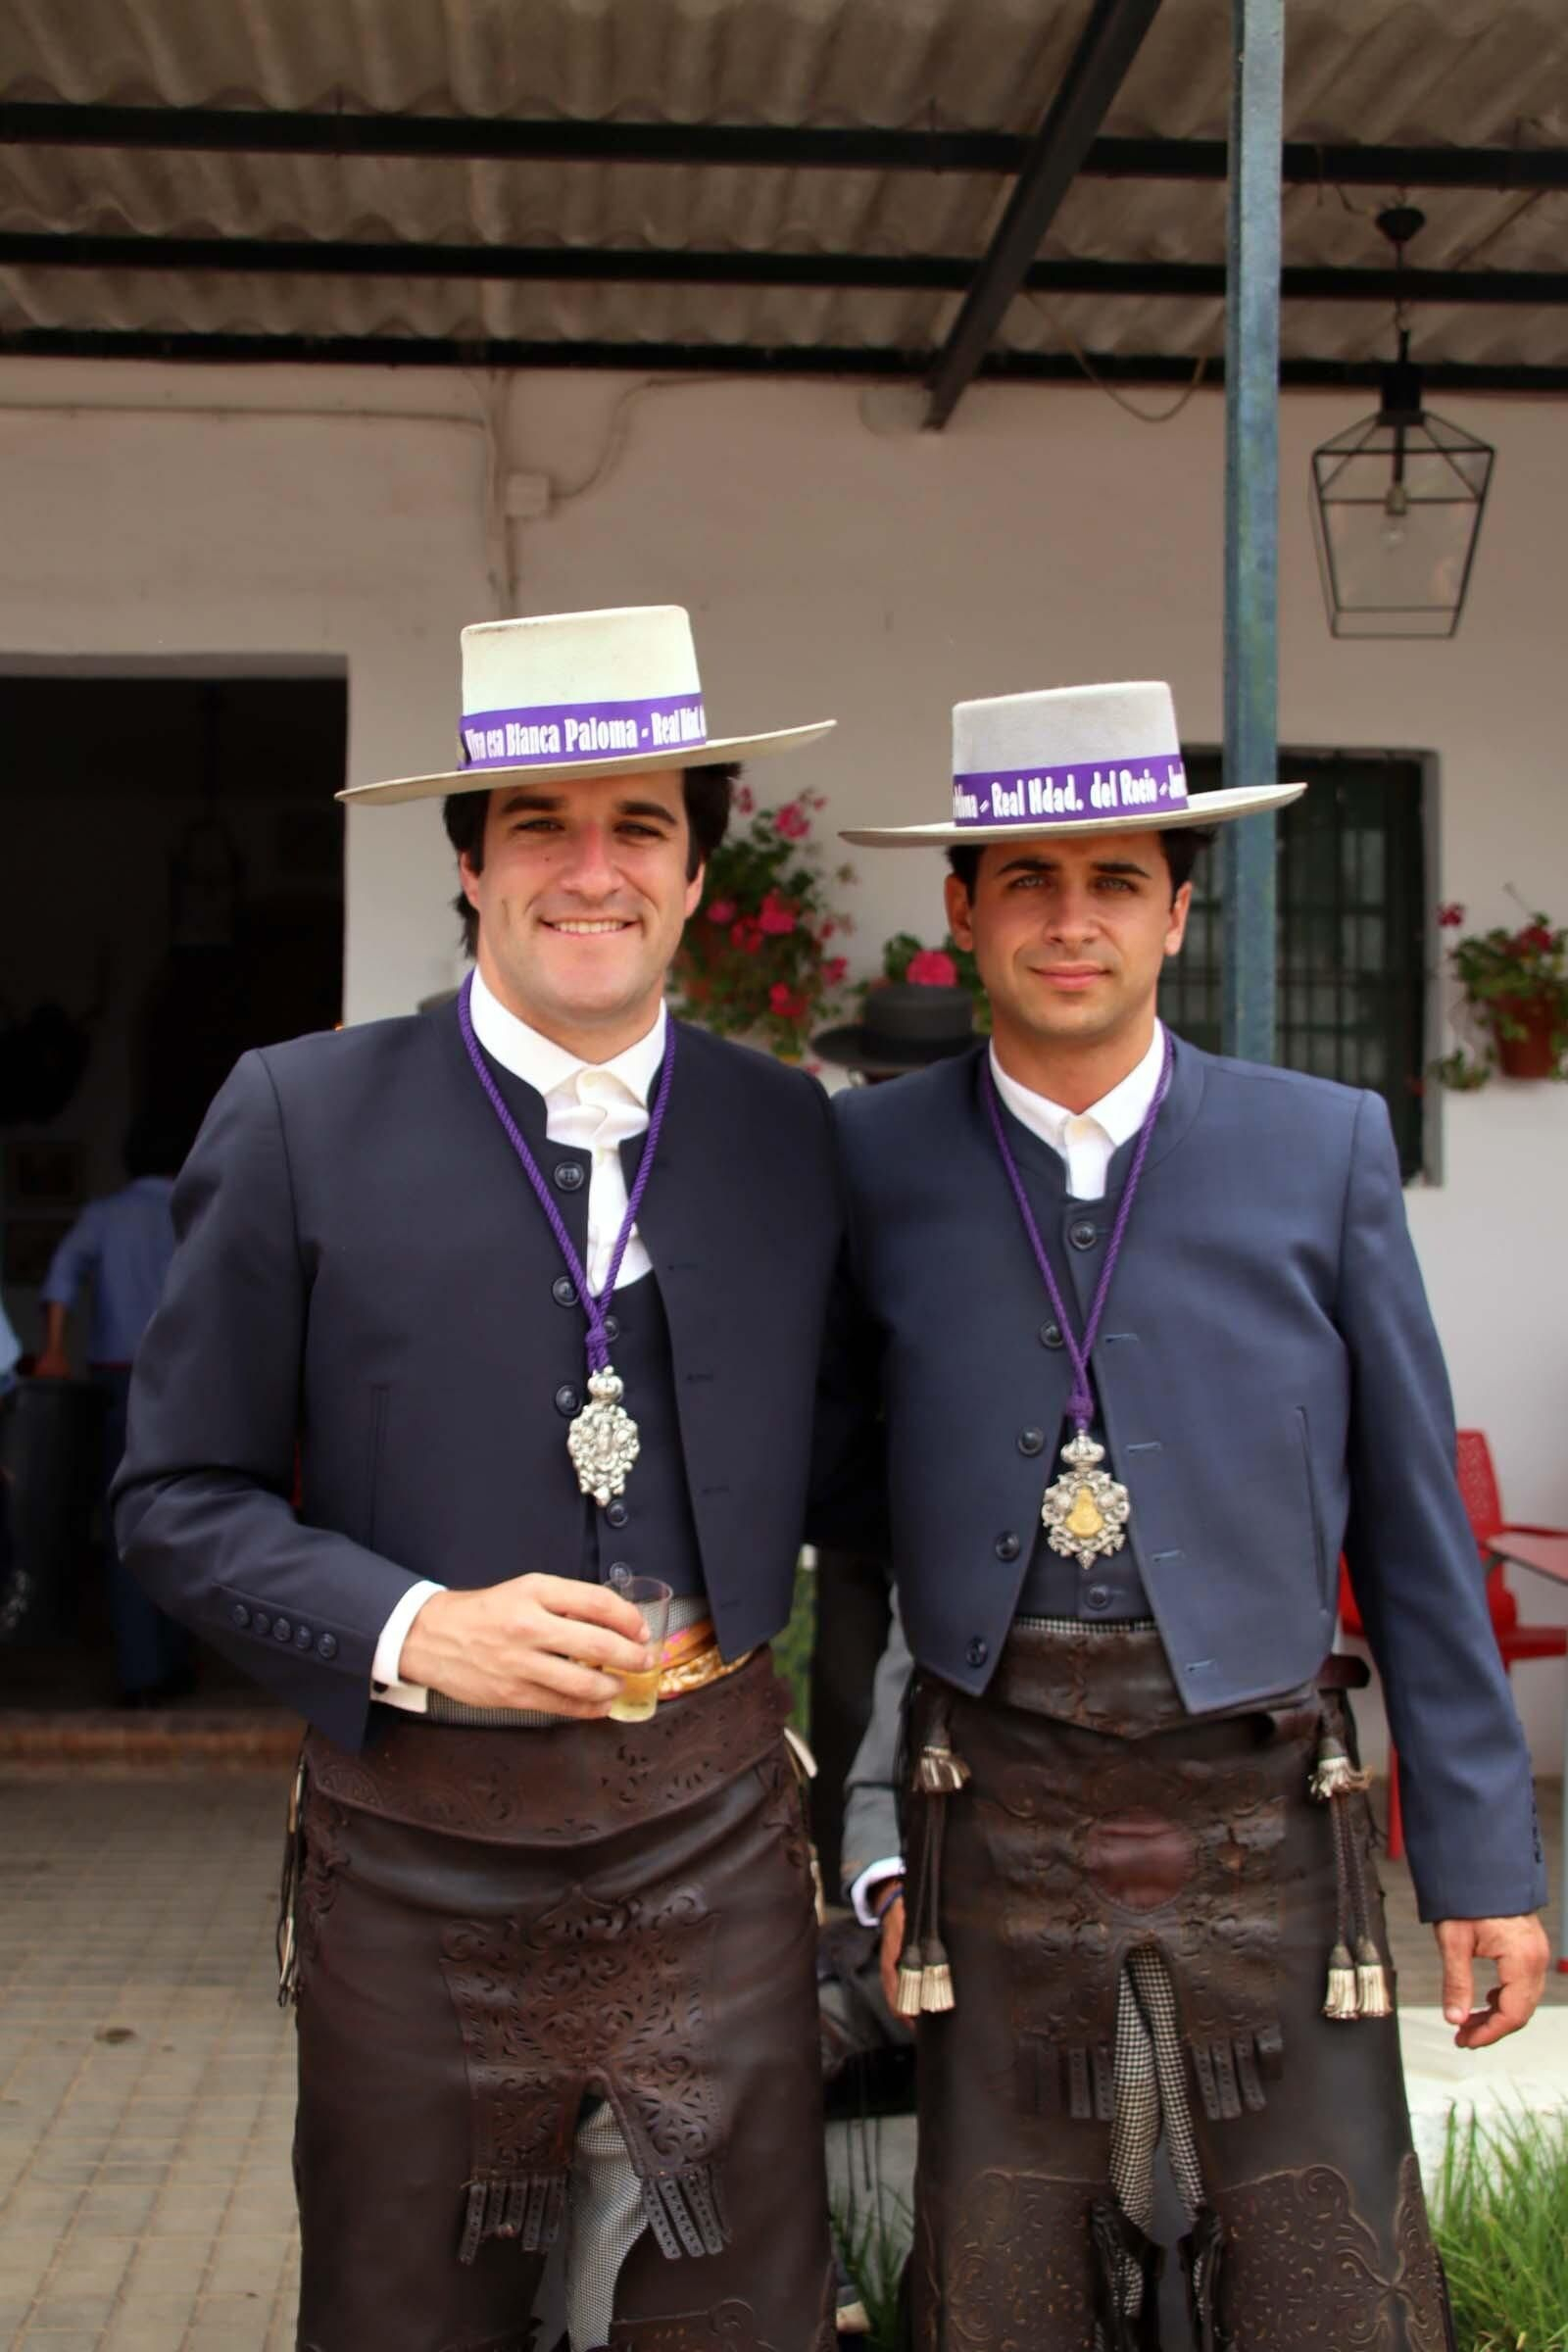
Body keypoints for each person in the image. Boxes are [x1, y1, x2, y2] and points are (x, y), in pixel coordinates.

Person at [116, 605, 852, 2352]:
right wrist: (411, 1626)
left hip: (722, 1842)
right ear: (471, 866)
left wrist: (893, 1819)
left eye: (641, 829)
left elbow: (874, 1478)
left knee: (740, 2320)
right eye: (540, 824)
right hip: (417, 1856)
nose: (589, 870)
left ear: (693, 881)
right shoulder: (295, 1114)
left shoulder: (795, 1129)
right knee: (403, 2321)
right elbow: (170, 1496)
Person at [828, 678, 1547, 2346]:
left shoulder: (1323, 1149)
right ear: (961, 911)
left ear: (1178, 908)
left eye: (1116, 882)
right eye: (1026, 880)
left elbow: (1418, 1543)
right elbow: (848, 1553)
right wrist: (874, 1857)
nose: (1071, 921)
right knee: (1008, 2295)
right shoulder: (868, 1167)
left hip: (1264, 1807)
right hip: (988, 1814)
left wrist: (1483, 1868)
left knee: (1329, 2289)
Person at [807, 980, 977, 1896]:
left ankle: (925, 1864)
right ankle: (852, 1867)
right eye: (880, 1074)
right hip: (858, 1474)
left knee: (930, 1672)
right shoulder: (843, 1151)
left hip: (952, 1472)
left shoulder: (988, 1169)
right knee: (842, 1671)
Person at [37, 1114, 190, 1703]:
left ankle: (140, 1670)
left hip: (120, 1384)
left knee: (129, 1521)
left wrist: (53, 1350)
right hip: (187, 1384)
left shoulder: (104, 1215)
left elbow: (59, 1276)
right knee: (190, 1520)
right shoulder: (196, 1206)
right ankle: (173, 1664)